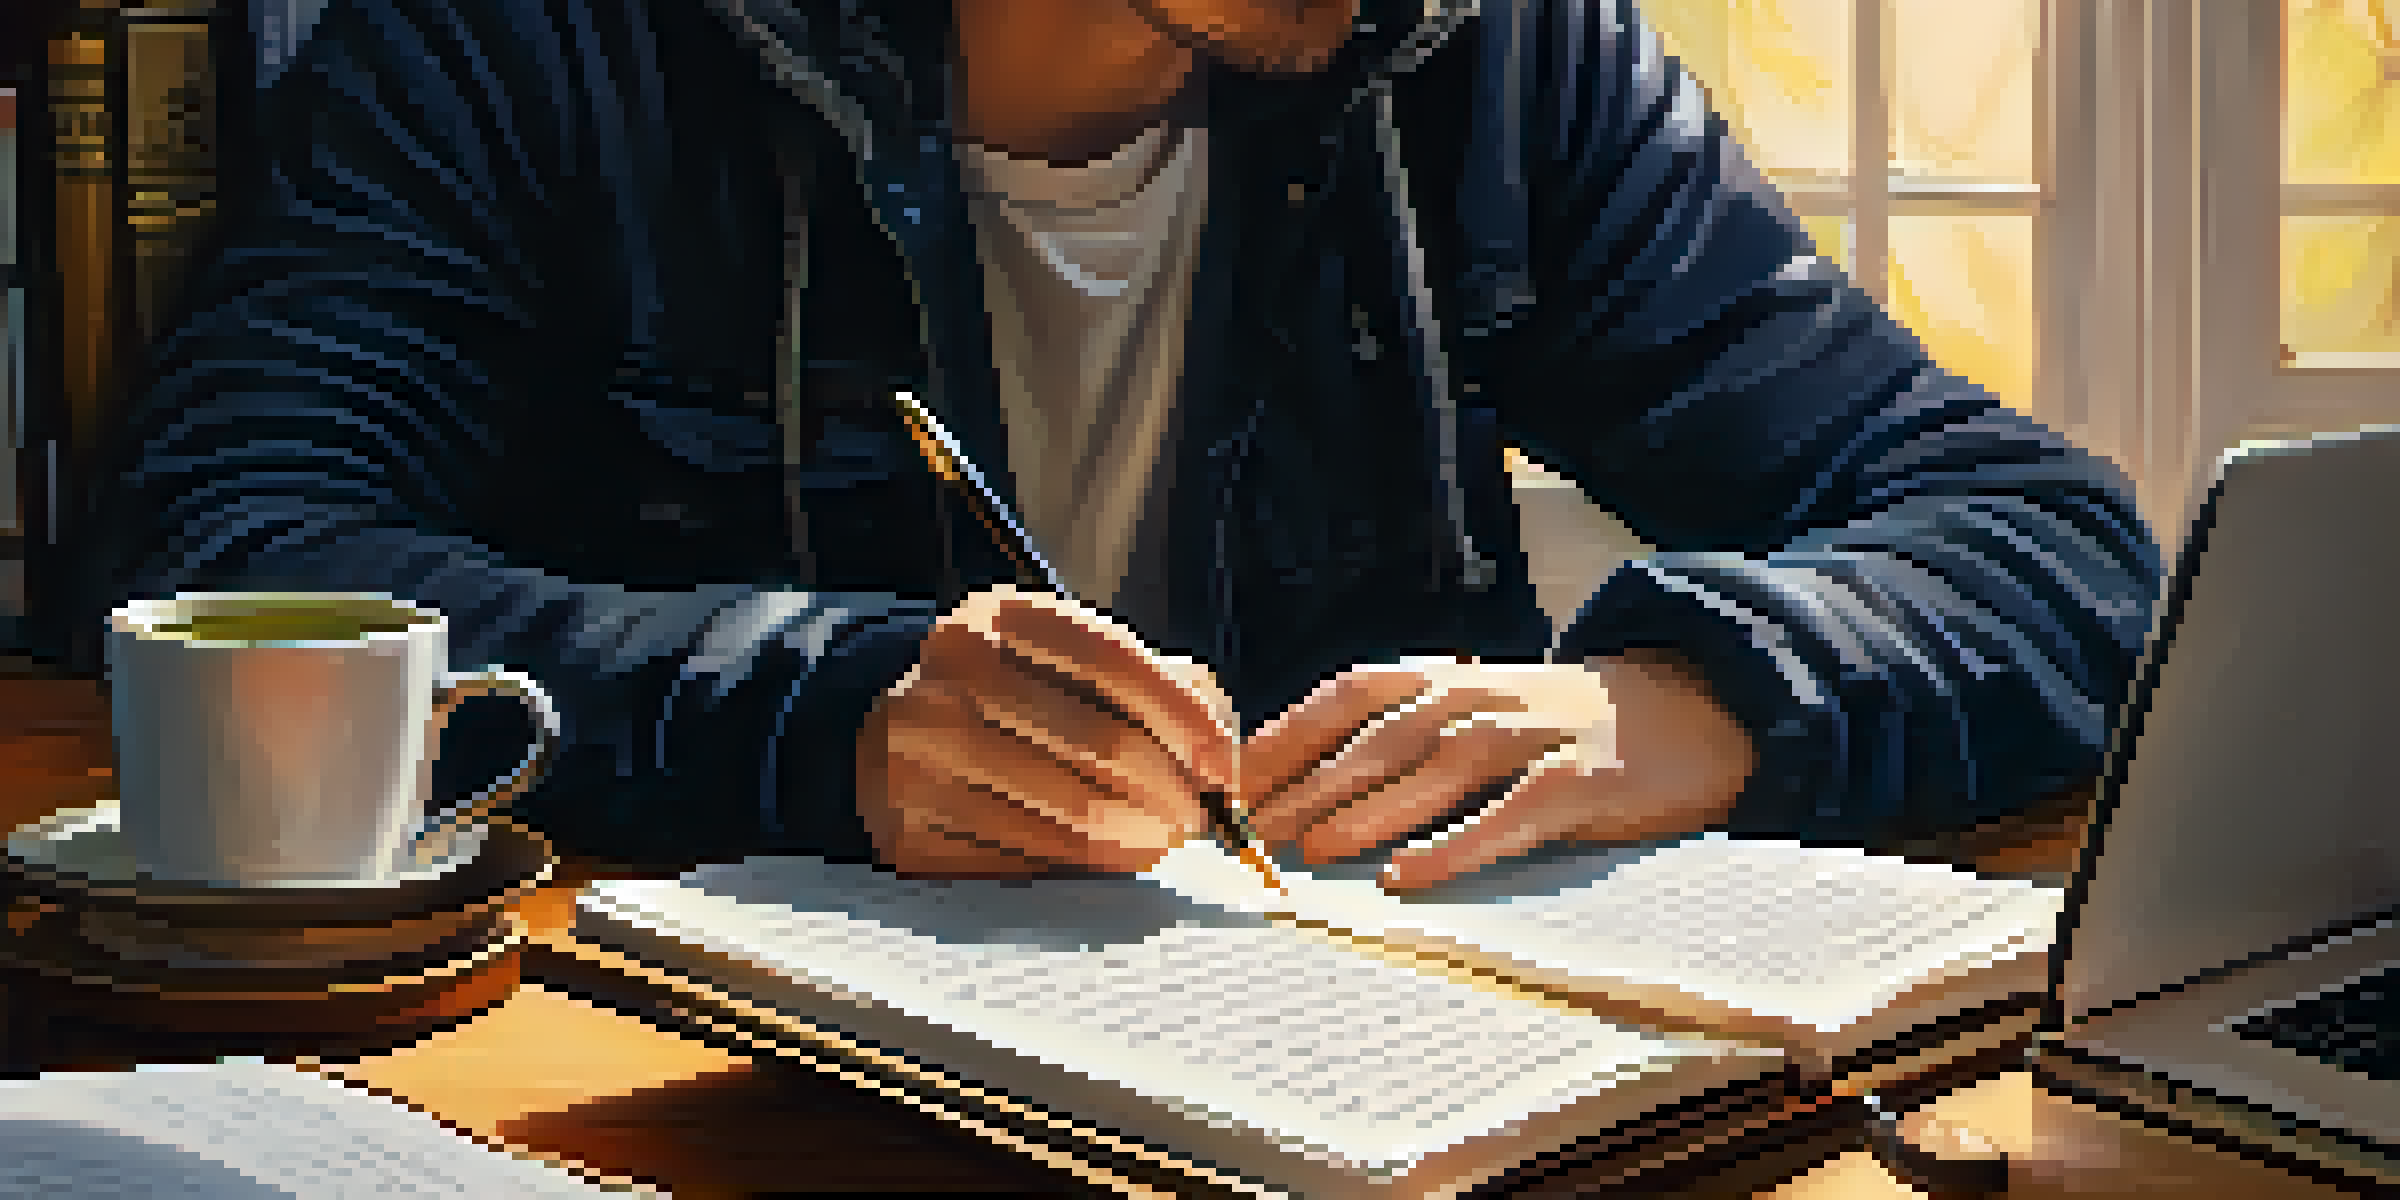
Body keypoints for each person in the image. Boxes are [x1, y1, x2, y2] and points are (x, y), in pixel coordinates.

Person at [79, 0, 2162, 889]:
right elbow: (225, 558)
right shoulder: (542, 46)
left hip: (1351, 1097)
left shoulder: (1484, 58)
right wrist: (820, 723)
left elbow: (2048, 541)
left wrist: (1691, 696)